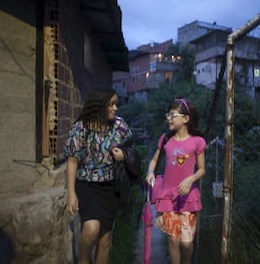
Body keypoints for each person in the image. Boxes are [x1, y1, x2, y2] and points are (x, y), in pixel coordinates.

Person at [64, 87, 138, 264]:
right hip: (87, 186)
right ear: (99, 105)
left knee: (104, 241)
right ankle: (83, 260)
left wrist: (124, 155)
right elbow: (72, 161)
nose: (115, 108)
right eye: (111, 104)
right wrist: (71, 193)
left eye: (115, 104)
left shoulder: (119, 126)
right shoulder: (80, 129)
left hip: (111, 188)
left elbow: (131, 148)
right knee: (91, 228)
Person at [146, 98, 206, 264]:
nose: (168, 118)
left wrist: (191, 178)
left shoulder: (197, 142)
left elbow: (202, 169)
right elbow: (154, 161)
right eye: (168, 115)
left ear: (186, 119)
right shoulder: (165, 139)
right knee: (173, 240)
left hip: (188, 198)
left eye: (172, 115)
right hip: (168, 197)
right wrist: (150, 171)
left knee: (186, 244)